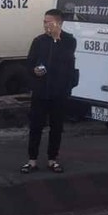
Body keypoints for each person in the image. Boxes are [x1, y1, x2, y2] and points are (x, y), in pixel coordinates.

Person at [21, 9, 77, 174]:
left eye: (49, 22)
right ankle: (32, 160)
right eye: (44, 21)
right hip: (40, 91)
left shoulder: (69, 41)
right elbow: (29, 63)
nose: (45, 25)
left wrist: (56, 38)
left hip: (59, 92)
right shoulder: (38, 41)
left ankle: (53, 159)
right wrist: (34, 71)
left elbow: (66, 61)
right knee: (36, 126)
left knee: (57, 127)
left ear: (58, 23)